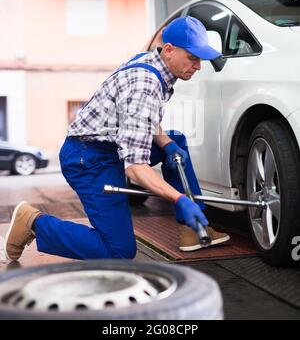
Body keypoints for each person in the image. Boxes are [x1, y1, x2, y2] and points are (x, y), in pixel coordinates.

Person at [4, 16, 230, 262]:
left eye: (200, 59)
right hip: (88, 159)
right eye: (192, 58)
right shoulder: (145, 84)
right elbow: (135, 168)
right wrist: (180, 198)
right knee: (119, 251)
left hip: (108, 147)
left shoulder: (153, 62)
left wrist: (168, 145)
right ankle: (33, 221)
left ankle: (192, 229)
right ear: (169, 50)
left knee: (176, 141)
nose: (198, 66)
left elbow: (142, 119)